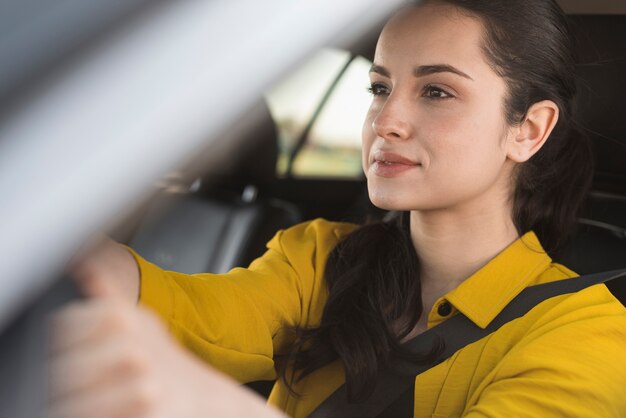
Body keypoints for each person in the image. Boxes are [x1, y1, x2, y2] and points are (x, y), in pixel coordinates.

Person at [48, 0, 626, 417]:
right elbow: (179, 310)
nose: (386, 122)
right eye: (379, 88)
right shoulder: (322, 257)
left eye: (436, 91)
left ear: (527, 129)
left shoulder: (592, 335)